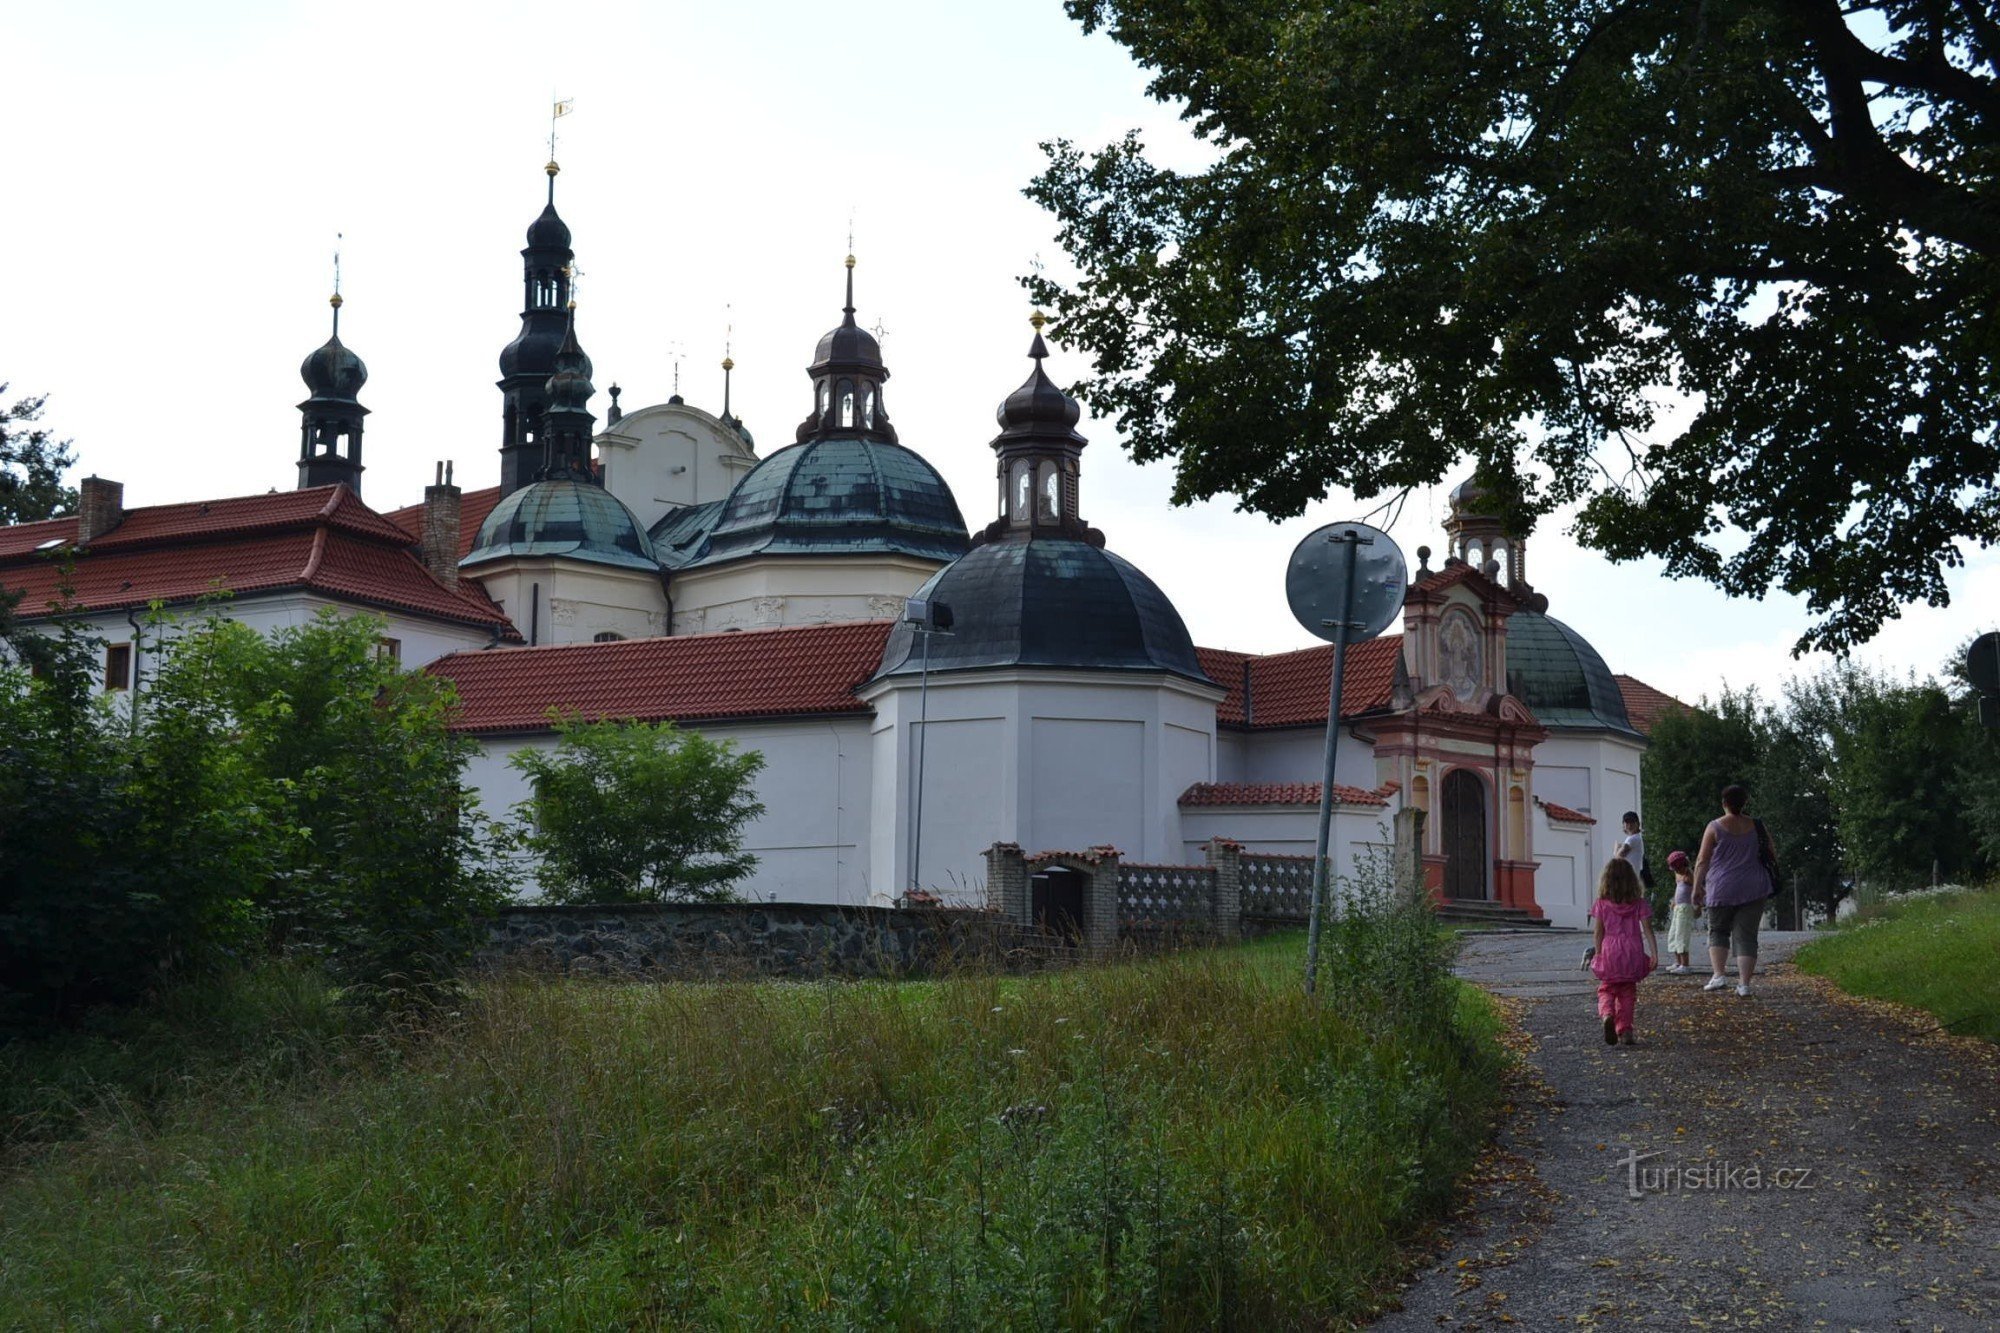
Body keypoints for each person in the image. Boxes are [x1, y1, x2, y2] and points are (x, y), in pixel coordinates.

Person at [1692, 783, 1779, 997]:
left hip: (1721, 887)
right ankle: (1744, 985)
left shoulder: (1714, 827)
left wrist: (1696, 887)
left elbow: (1703, 860)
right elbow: (1772, 853)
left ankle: (1719, 975)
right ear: (1745, 802)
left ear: (1724, 803)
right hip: (1754, 887)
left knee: (1719, 931)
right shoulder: (1757, 825)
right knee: (1747, 936)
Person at [1591, 856, 1658, 1045]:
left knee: (1607, 989)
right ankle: (1625, 1030)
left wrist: (1598, 954)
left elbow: (1598, 932)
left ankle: (1607, 1015)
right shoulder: (1639, 903)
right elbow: (1648, 930)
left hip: (1610, 950)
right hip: (1632, 951)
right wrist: (1654, 954)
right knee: (1628, 991)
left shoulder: (1602, 904)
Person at [1663, 849, 1696, 973]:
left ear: (1684, 865)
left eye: (1678, 868)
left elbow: (1698, 891)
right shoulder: (1678, 875)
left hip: (1685, 908)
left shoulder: (1689, 876)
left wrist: (1698, 906)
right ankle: (1678, 962)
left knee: (1682, 935)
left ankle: (1685, 965)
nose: (1676, 871)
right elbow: (1678, 890)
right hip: (1677, 908)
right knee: (1674, 934)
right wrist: (1674, 901)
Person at [1615, 811, 1652, 893]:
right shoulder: (1633, 838)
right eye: (1627, 822)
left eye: (1632, 822)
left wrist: (1616, 849)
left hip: (1629, 878)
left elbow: (1619, 856)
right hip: (1631, 877)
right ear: (1623, 824)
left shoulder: (1633, 839)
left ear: (1638, 824)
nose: (1629, 825)